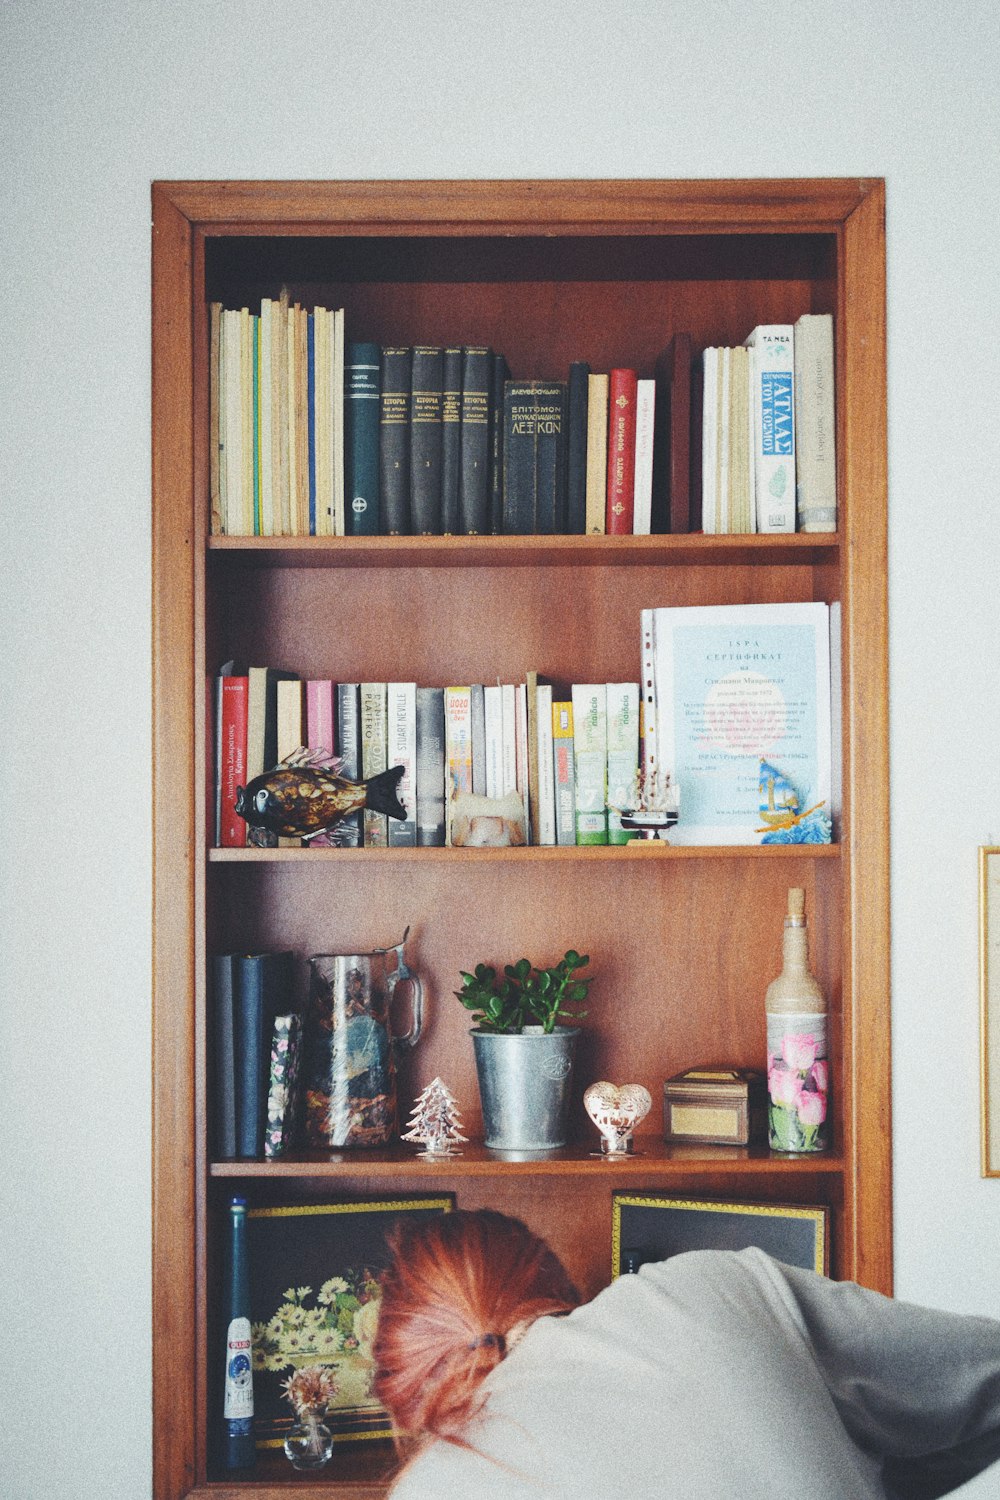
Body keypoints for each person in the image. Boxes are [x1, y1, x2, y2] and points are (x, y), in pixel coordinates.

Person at [373, 1209, 1000, 1499]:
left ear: (408, 1397)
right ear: (551, 1280)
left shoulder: (429, 1489)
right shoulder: (709, 1286)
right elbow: (985, 1372)